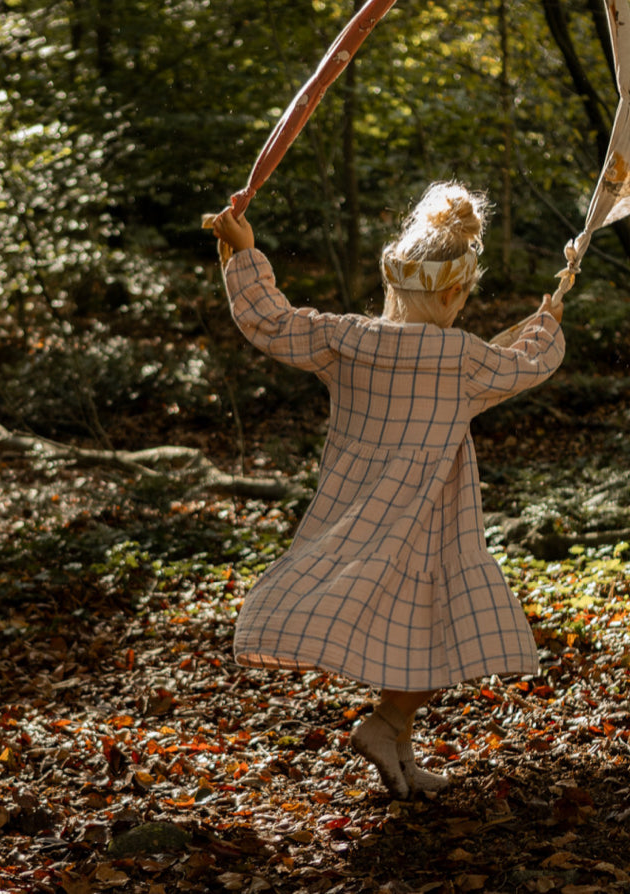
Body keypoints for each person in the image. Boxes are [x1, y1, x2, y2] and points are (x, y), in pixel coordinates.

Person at [210, 182, 564, 799]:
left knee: (421, 631)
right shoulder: (464, 358)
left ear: (392, 282)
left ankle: (399, 749)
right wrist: (547, 322)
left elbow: (270, 321)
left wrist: (240, 254)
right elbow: (527, 365)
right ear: (457, 293)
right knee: (444, 627)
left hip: (358, 513)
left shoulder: (350, 341)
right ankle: (387, 723)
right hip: (426, 518)